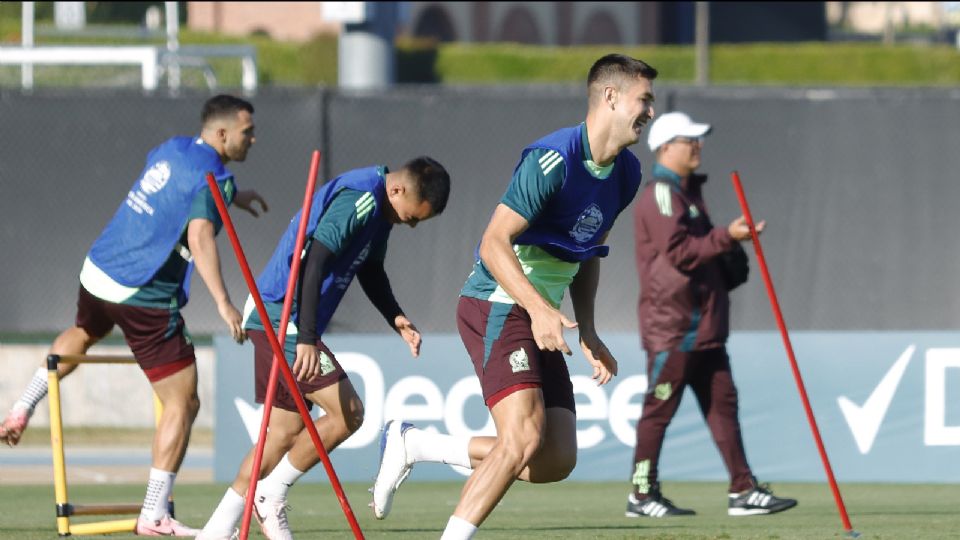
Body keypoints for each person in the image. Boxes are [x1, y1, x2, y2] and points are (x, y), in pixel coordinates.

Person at [370, 53, 657, 539]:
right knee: (521, 438)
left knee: (554, 458)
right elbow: (492, 242)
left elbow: (587, 252)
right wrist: (542, 309)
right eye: (644, 99)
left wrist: (586, 327)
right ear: (610, 97)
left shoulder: (627, 174)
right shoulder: (552, 160)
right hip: (496, 303)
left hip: (539, 314)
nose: (651, 111)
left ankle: (416, 445)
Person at [0, 94, 267, 535]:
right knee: (183, 401)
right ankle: (153, 513)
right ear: (222, 135)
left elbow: (188, 183)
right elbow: (201, 237)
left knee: (84, 332)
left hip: (99, 271)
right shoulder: (212, 179)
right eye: (247, 132)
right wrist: (222, 302)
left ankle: (20, 409)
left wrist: (235, 195)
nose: (253, 138)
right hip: (142, 291)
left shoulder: (173, 148)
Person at [195, 157, 451, 540]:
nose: (409, 225)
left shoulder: (382, 210)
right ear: (397, 190)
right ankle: (270, 494)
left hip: (287, 318)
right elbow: (314, 262)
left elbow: (371, 270)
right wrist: (308, 339)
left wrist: (395, 316)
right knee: (348, 413)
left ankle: (215, 531)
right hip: (280, 314)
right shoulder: (360, 199)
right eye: (412, 217)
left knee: (281, 435)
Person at [625, 111, 797, 518]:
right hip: (675, 328)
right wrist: (728, 237)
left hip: (703, 326)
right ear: (666, 147)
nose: (697, 146)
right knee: (659, 411)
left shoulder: (688, 195)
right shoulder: (662, 195)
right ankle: (641, 494)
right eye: (690, 140)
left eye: (698, 139)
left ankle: (743, 490)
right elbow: (681, 252)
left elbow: (702, 255)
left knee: (724, 407)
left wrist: (732, 253)